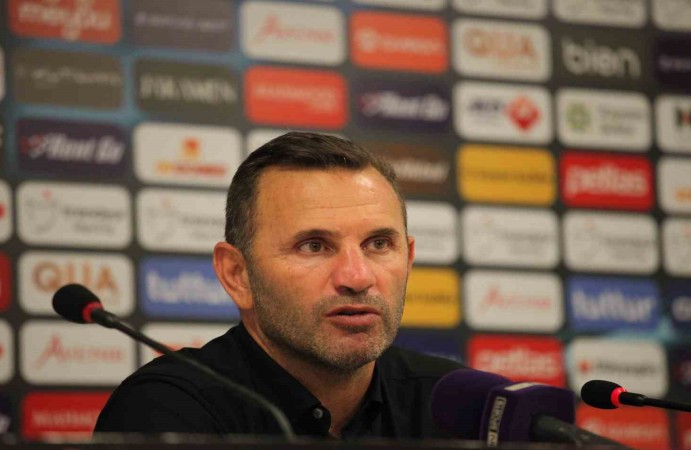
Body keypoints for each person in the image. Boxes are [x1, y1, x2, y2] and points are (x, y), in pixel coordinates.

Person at [95, 132, 464, 438]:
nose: (357, 277)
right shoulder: (166, 411)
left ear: (408, 258)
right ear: (237, 274)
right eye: (313, 246)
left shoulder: (455, 404)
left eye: (378, 244)